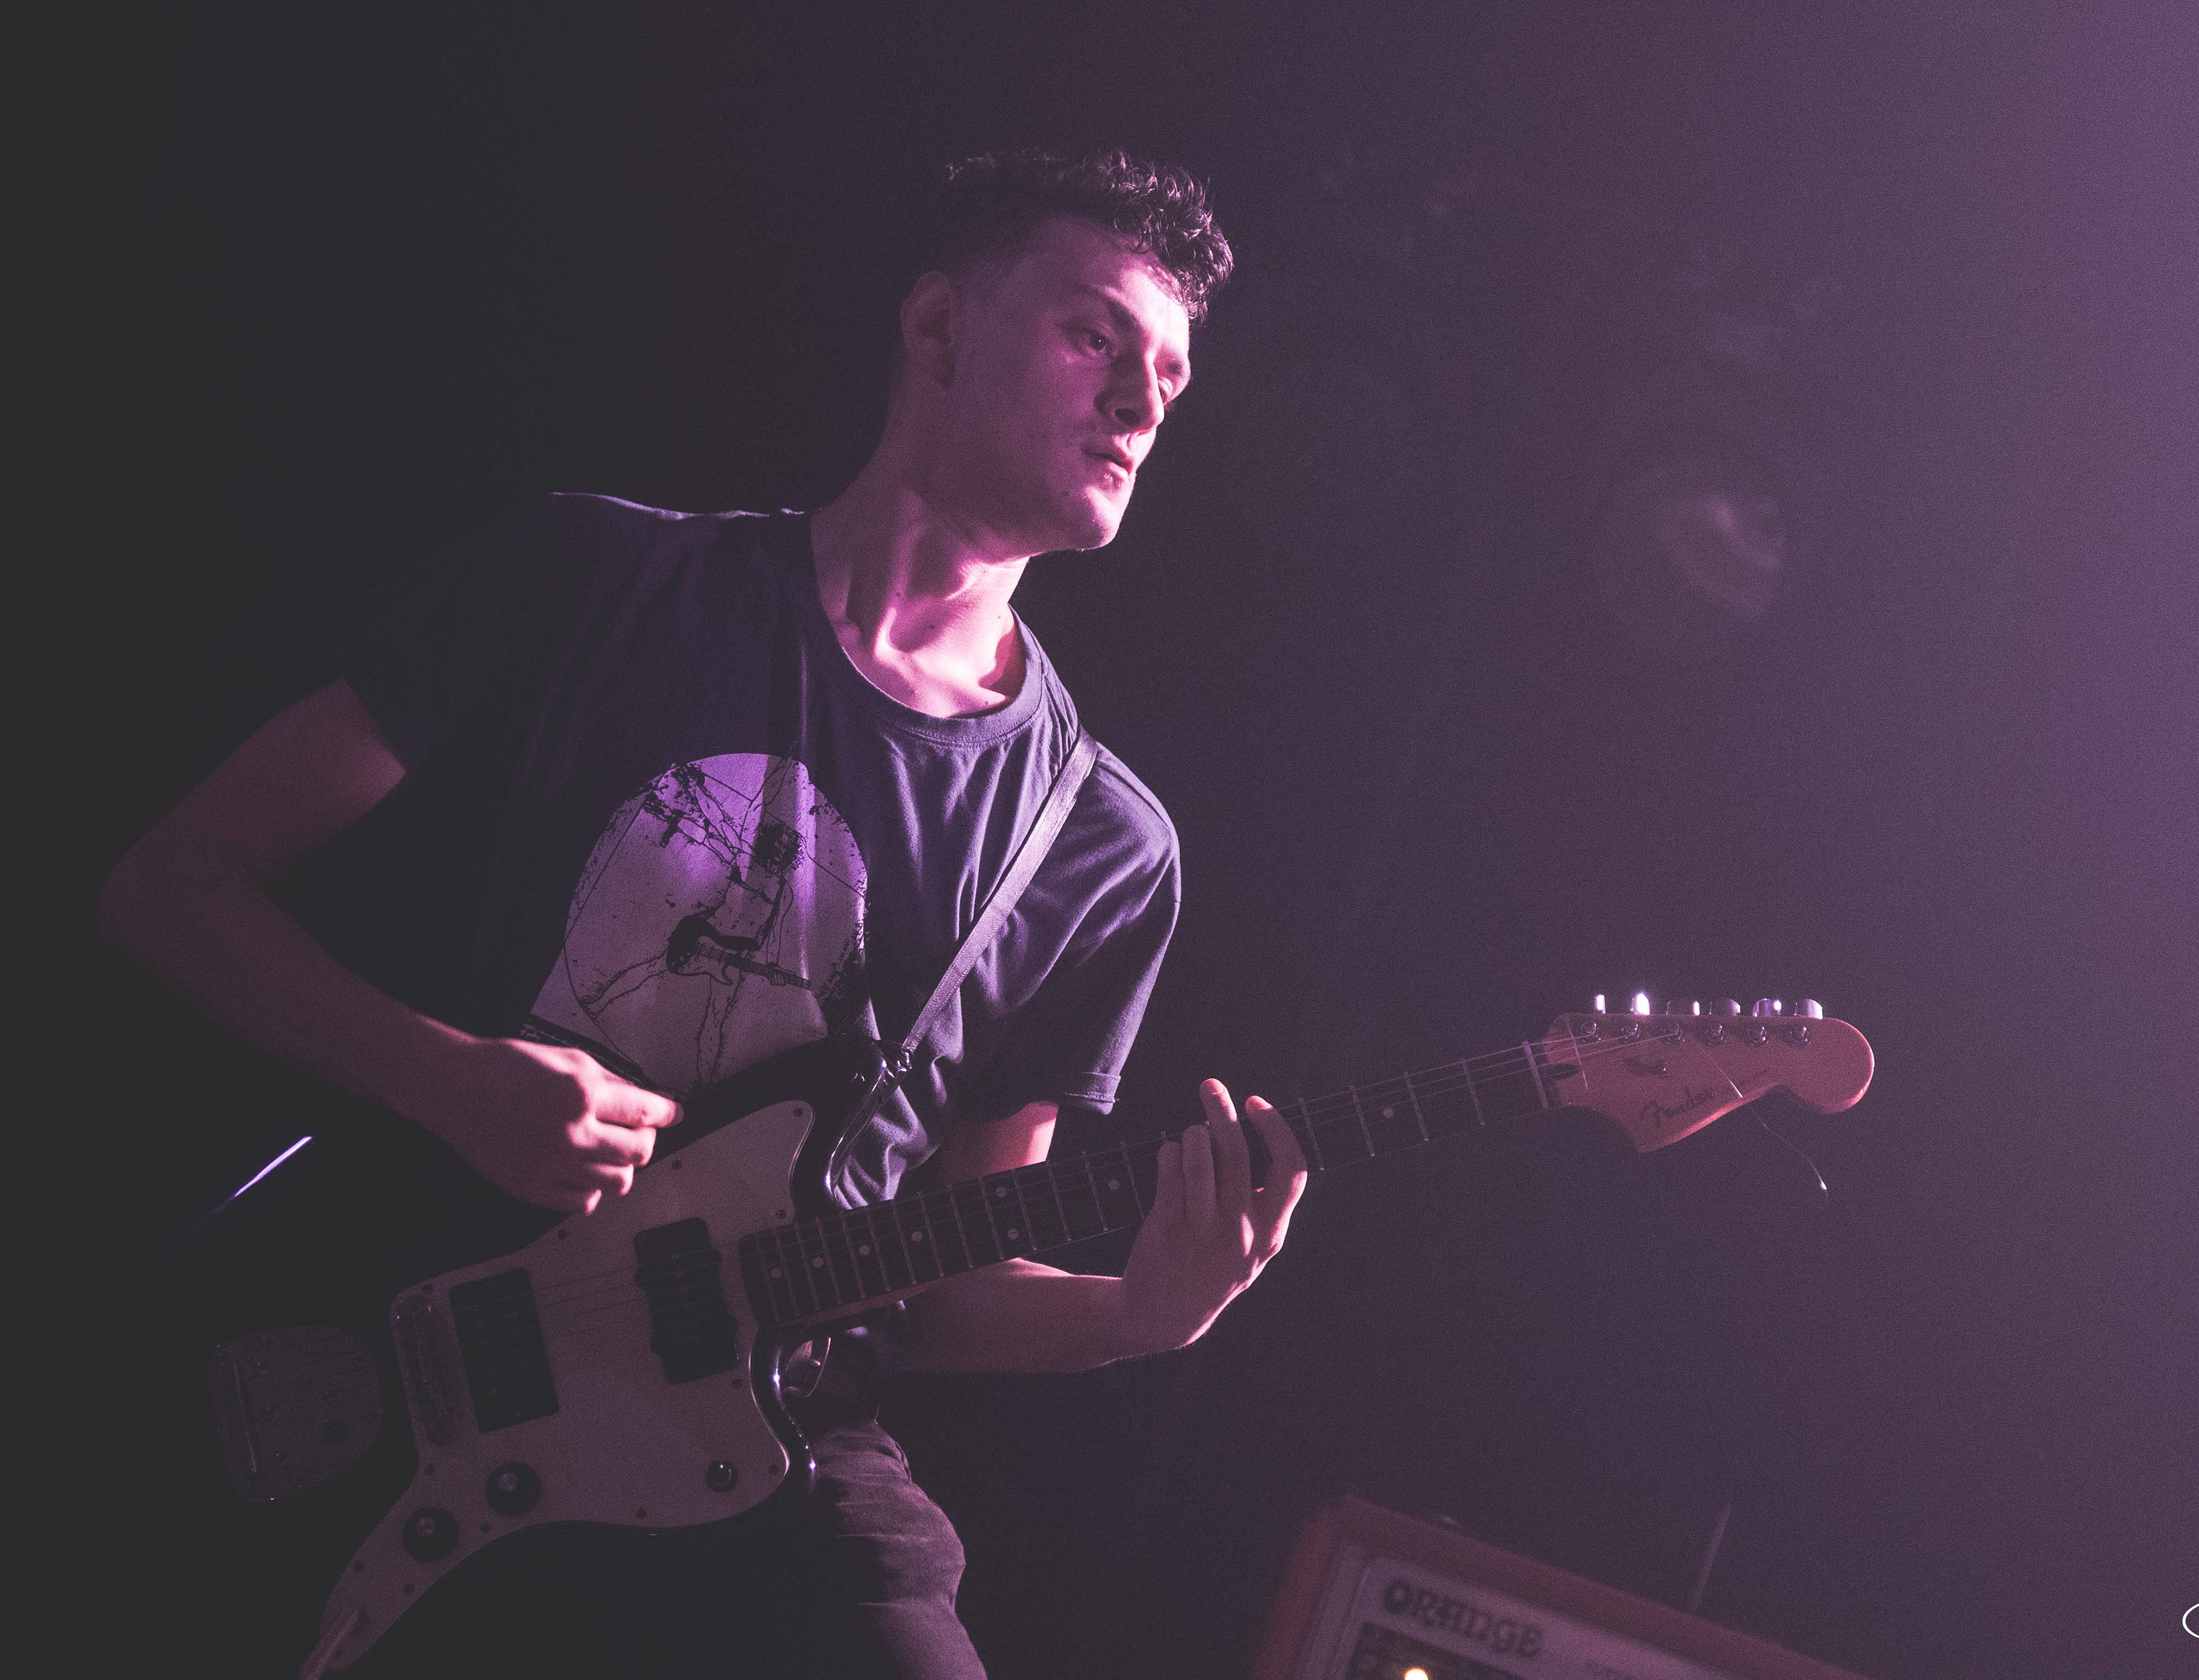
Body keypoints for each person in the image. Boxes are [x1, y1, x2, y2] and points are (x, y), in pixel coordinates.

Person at [98, 148, 1306, 1677]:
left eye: (1171, 378)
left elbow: (937, 1274)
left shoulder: (1098, 842)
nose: (1141, 404)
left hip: (767, 1454)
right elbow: (171, 887)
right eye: (1096, 337)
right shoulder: (595, 578)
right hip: (415, 1360)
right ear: (939, 330)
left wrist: (1137, 1312)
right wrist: (438, 1074)